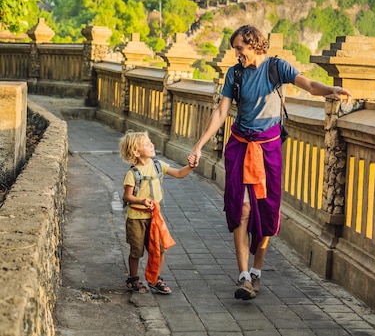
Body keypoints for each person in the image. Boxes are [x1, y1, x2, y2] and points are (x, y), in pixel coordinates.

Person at [187, 25, 351, 300]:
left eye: (240, 48)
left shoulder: (277, 68)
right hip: (240, 145)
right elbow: (221, 112)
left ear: (253, 45)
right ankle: (242, 276)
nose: (237, 54)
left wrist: (331, 90)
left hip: (268, 149)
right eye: (235, 49)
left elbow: (309, 85)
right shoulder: (234, 74)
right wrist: (199, 146)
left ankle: (257, 271)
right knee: (242, 208)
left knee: (267, 212)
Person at [119, 130, 195, 294]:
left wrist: (190, 167)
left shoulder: (159, 166)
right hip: (136, 218)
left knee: (160, 248)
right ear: (136, 152)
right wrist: (141, 201)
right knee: (136, 251)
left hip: (154, 217)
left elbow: (179, 173)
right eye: (147, 144)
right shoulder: (133, 174)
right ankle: (133, 279)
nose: (152, 145)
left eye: (150, 142)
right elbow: (127, 196)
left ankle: (155, 278)